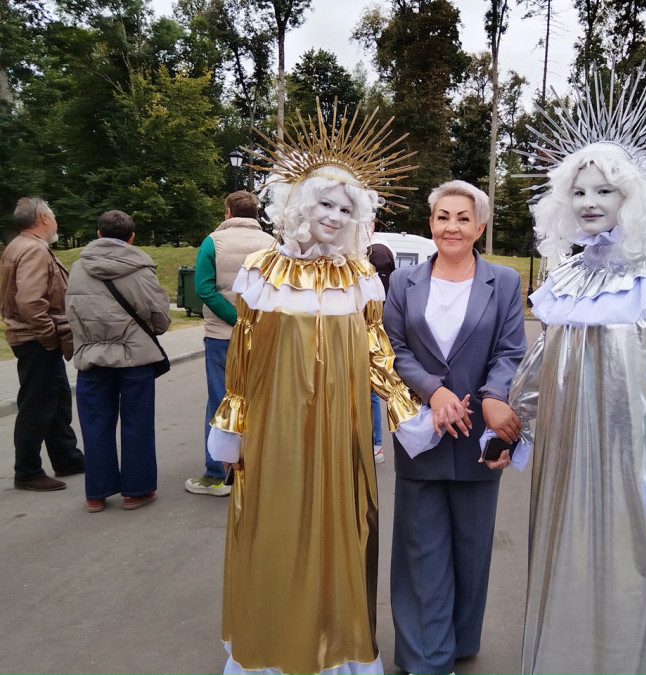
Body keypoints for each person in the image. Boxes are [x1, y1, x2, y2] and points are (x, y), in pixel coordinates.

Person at [509, 66, 646, 675]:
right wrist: (516, 427)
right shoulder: (572, 274)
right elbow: (544, 360)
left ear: (635, 197)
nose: (590, 203)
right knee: (563, 571)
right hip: (565, 462)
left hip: (636, 467)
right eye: (579, 192)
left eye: (605, 191)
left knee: (627, 581)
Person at [206, 103, 419, 675]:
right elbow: (243, 358)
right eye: (323, 203)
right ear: (299, 205)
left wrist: (403, 409)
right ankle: (272, 652)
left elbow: (378, 351)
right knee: (273, 535)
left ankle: (337, 655)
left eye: (344, 208)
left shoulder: (361, 277)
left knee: (343, 536)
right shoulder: (261, 270)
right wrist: (232, 426)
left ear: (358, 218)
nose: (332, 215)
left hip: (344, 433)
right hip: (275, 433)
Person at [383, 180, 527, 675]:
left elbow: (511, 352)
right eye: (443, 216)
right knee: (421, 548)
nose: (452, 226)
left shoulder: (504, 282)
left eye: (463, 218)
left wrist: (491, 397)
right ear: (431, 224)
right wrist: (433, 390)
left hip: (478, 435)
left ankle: (461, 639)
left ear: (480, 227)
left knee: (471, 546)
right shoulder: (403, 284)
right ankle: (426, 656)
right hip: (421, 433)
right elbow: (394, 350)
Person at [65, 210, 171, 512]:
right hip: (135, 357)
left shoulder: (77, 268)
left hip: (91, 357)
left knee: (95, 424)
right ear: (131, 237)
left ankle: (96, 493)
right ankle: (136, 491)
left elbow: (71, 312)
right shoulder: (141, 269)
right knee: (137, 424)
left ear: (98, 234)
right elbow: (160, 317)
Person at [184, 191, 274, 497]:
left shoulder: (212, 242)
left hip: (222, 336)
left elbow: (204, 289)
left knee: (220, 400)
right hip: (263, 337)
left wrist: (234, 319)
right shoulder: (272, 245)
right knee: (259, 401)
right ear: (255, 214)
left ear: (227, 212)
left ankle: (218, 473)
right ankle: (259, 468)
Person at [0, 197, 84, 491]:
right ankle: (27, 471)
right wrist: (49, 337)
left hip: (33, 337)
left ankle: (67, 458)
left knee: (57, 399)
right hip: (35, 338)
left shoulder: (20, 245)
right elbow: (30, 301)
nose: (56, 222)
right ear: (43, 218)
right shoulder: (33, 250)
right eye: (54, 217)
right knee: (37, 404)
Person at [367, 225, 396, 465]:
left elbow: (382, 298)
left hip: (371, 331)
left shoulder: (378, 252)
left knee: (371, 389)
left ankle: (376, 444)